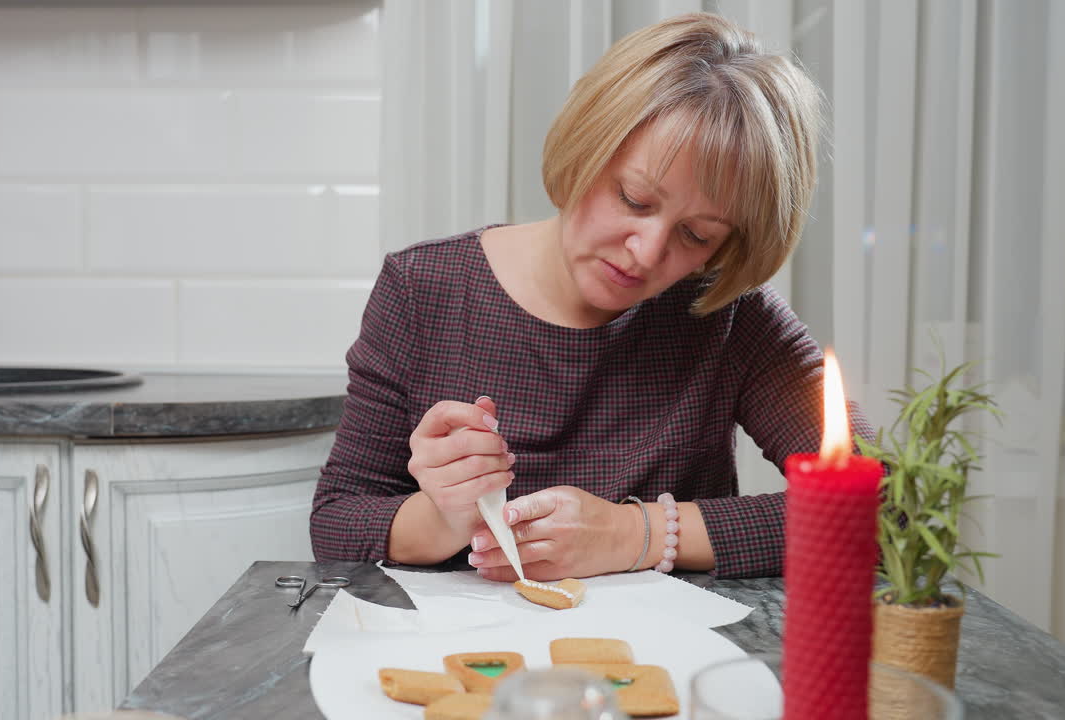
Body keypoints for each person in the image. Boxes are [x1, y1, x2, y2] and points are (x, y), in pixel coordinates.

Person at [310, 11, 874, 581]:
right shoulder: (423, 290)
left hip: (669, 663)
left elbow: (889, 508)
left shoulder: (730, 315)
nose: (648, 252)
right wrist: (445, 517)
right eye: (634, 198)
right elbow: (337, 523)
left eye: (696, 235)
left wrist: (637, 535)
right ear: (585, 146)